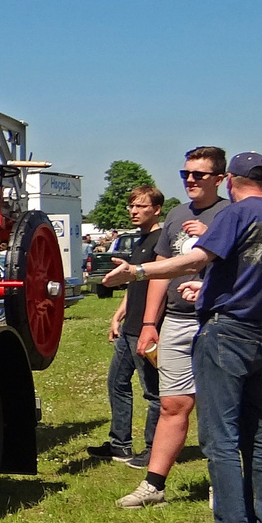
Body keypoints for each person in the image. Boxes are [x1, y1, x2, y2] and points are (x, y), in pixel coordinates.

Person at [104, 152, 262, 523]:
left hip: (225, 334)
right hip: (258, 333)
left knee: (219, 438)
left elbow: (196, 258)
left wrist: (137, 273)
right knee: (257, 433)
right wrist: (205, 291)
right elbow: (249, 273)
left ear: (229, 180)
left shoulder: (235, 213)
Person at [113, 147, 230, 507]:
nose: (191, 180)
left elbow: (240, 267)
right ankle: (154, 486)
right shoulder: (178, 215)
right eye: (186, 174)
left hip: (214, 320)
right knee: (171, 404)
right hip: (176, 321)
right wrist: (150, 322)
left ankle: (222, 484)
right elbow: (160, 274)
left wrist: (212, 235)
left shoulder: (230, 214)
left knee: (217, 406)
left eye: (199, 174)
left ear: (220, 179)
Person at [89, 186, 165, 466]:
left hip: (149, 329)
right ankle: (119, 444)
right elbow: (134, 283)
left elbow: (161, 283)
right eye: (131, 206)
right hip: (128, 328)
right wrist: (117, 315)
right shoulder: (139, 241)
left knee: (153, 391)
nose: (133, 211)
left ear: (156, 209)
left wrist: (152, 324)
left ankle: (154, 448)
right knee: (117, 383)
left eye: (141, 206)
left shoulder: (161, 241)